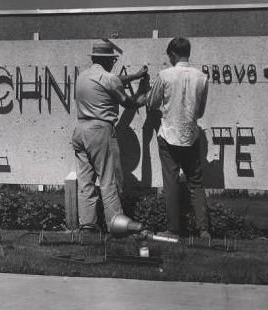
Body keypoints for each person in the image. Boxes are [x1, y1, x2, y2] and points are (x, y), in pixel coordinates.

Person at [72, 40, 149, 231]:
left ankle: (87, 225)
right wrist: (143, 94)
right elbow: (129, 103)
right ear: (109, 61)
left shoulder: (82, 77)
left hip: (80, 129)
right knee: (108, 181)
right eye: (113, 61)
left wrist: (135, 75)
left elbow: (113, 80)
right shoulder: (109, 79)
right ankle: (116, 225)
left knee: (85, 182)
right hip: (100, 130)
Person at [146, 37, 210, 239]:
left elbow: (152, 103)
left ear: (172, 54)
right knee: (196, 182)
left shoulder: (165, 75)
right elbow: (200, 112)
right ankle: (204, 229)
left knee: (171, 181)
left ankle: (173, 230)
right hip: (191, 133)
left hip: (168, 133)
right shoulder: (202, 77)